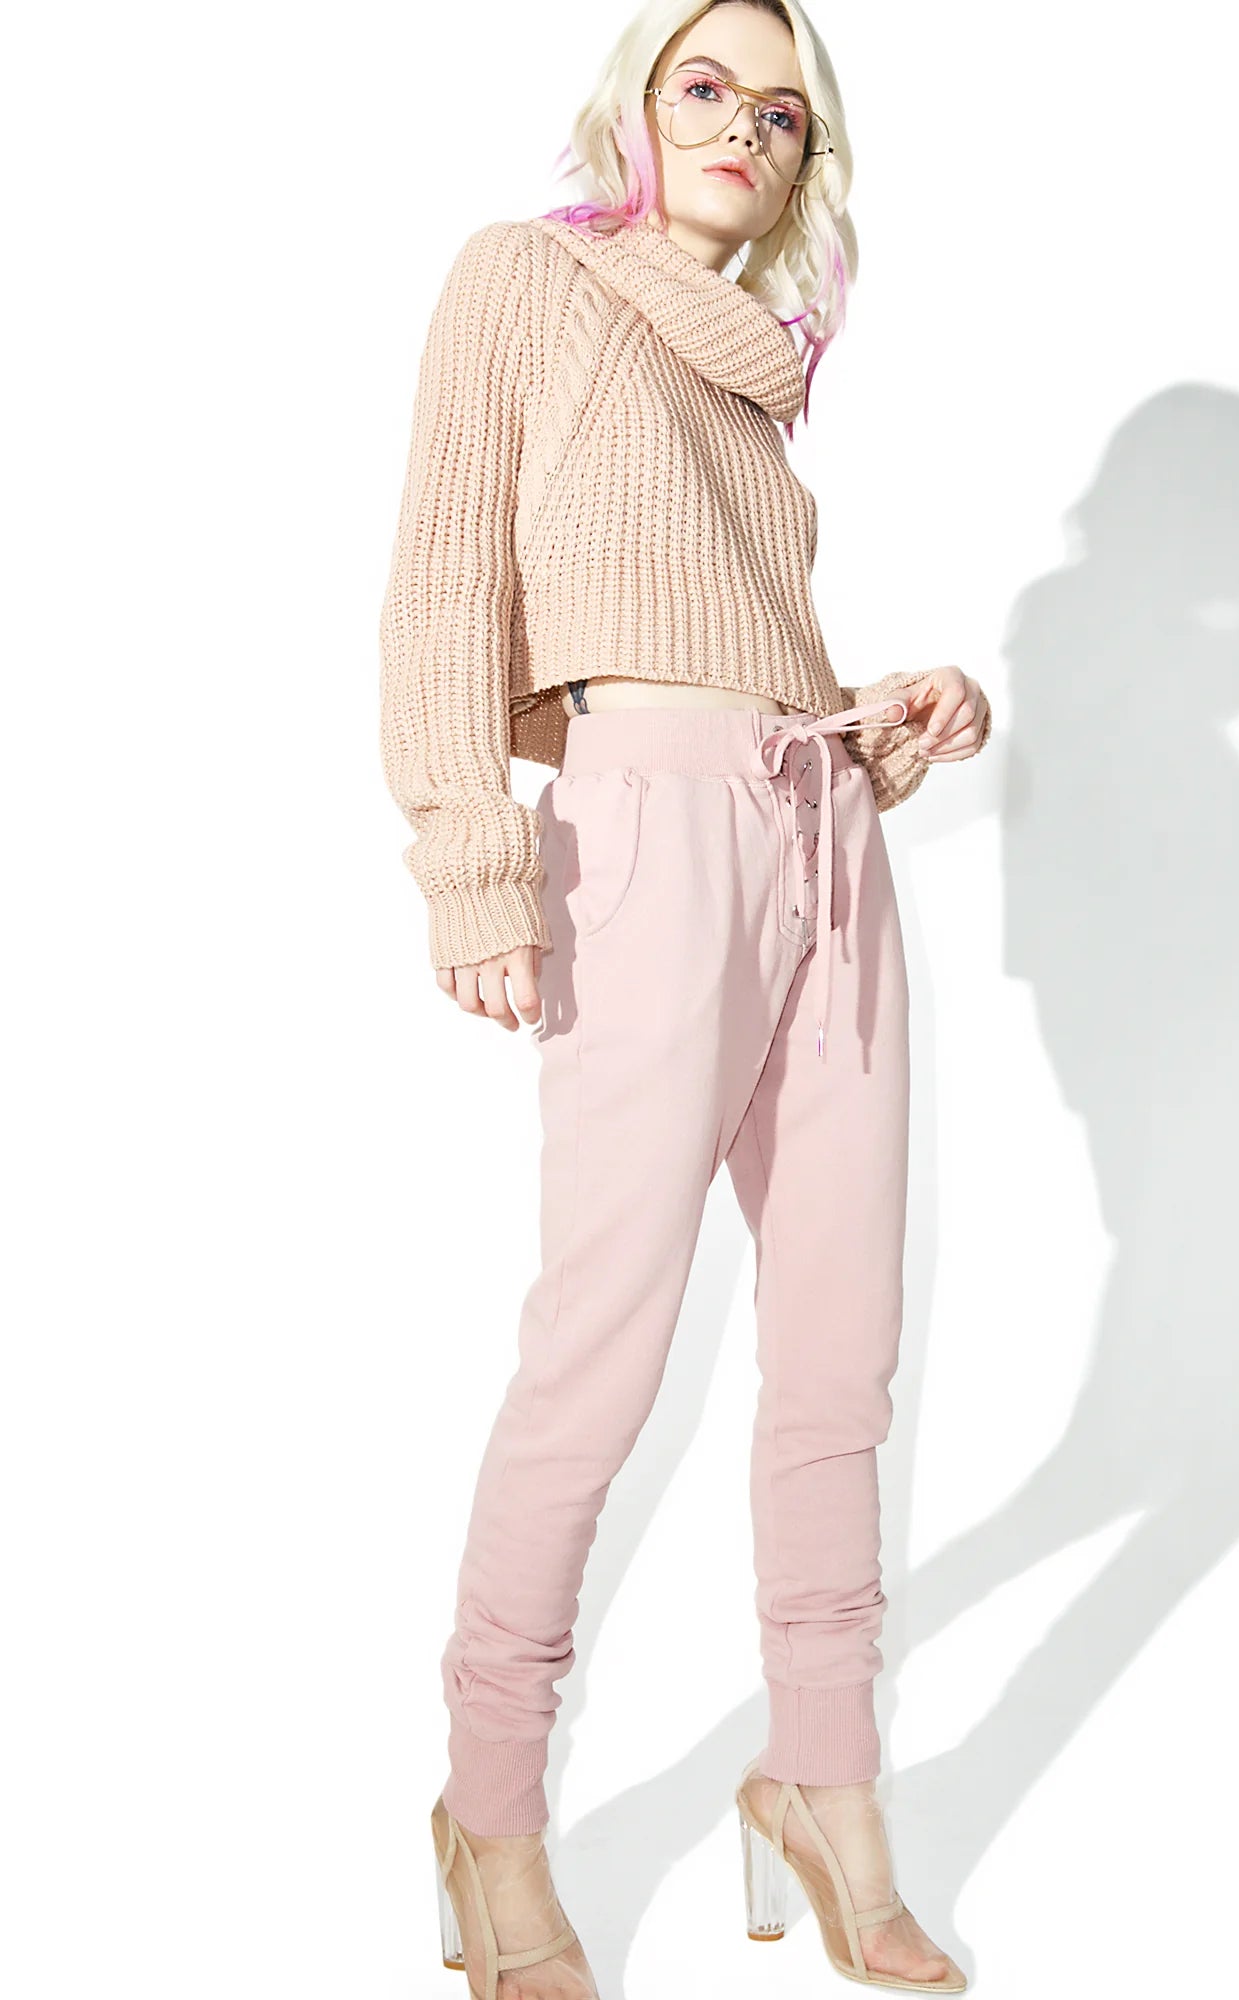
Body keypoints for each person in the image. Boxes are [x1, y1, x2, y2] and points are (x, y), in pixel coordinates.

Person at [379, 4, 990, 1994]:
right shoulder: (526, 281)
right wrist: (473, 859)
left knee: (839, 1355)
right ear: (635, 107)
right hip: (637, 846)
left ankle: (824, 1782)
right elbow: (444, 586)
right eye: (706, 85)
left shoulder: (756, 373)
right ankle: (489, 1808)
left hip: (824, 834)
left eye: (783, 111)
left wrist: (881, 717)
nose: (745, 126)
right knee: (602, 1349)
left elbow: (730, 645)